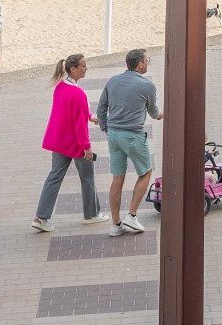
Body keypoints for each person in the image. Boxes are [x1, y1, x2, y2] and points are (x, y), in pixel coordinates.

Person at [32, 54, 101, 233]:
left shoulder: (60, 86)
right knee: (87, 177)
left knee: (54, 177)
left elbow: (70, 111)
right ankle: (91, 215)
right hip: (76, 144)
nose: (86, 68)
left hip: (59, 142)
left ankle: (41, 217)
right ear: (73, 69)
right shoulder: (78, 94)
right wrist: (87, 147)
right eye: (83, 66)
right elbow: (79, 125)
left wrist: (89, 117)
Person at [98, 48, 164, 235]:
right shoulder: (147, 85)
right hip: (133, 135)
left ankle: (116, 224)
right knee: (146, 171)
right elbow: (153, 112)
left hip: (114, 135)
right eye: (147, 60)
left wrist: (106, 128)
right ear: (140, 64)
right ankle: (132, 216)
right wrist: (160, 115)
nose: (148, 62)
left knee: (117, 179)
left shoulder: (113, 81)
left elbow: (101, 108)